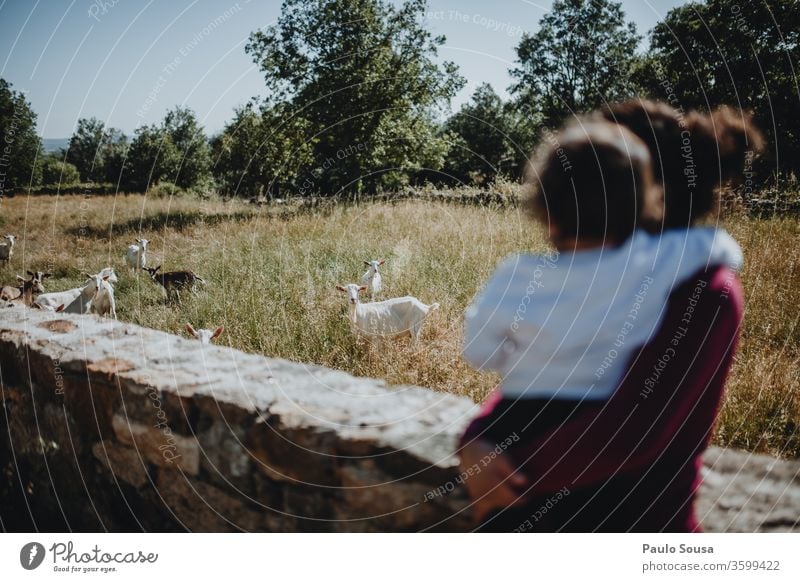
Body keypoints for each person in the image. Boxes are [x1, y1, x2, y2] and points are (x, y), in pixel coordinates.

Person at [458, 104, 763, 531]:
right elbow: (537, 372)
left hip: (633, 517)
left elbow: (635, 426)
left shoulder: (704, 290)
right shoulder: (612, 276)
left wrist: (509, 468)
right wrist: (477, 435)